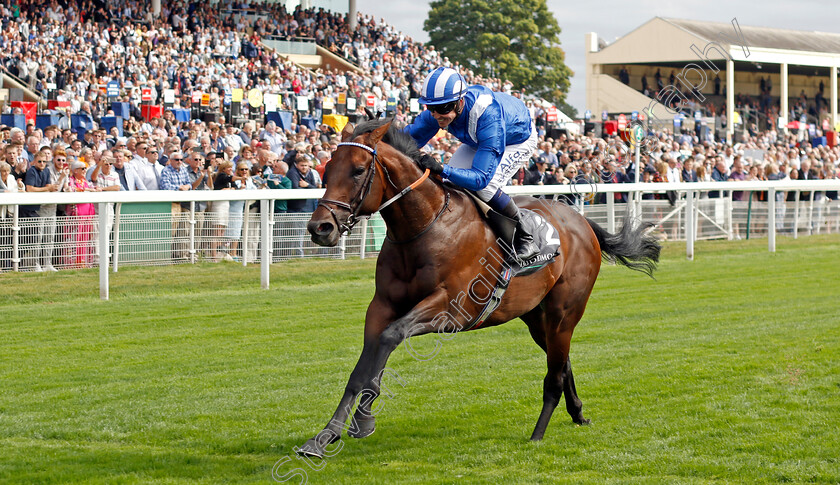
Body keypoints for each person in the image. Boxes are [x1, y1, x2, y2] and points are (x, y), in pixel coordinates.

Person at [405, 67, 539, 261]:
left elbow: (480, 179)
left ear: (460, 102)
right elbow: (407, 140)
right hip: (479, 138)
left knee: (486, 188)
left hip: (516, 139)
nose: (436, 115)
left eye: (442, 108)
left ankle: (525, 236)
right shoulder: (441, 110)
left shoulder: (487, 114)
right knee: (451, 183)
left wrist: (443, 168)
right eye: (430, 108)